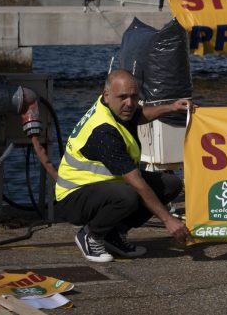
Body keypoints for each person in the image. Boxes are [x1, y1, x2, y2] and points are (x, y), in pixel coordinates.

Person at [55, 70, 192, 262]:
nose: (129, 103)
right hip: (74, 195)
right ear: (107, 95)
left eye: (134, 97)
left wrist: (171, 107)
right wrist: (168, 220)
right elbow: (136, 181)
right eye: (123, 97)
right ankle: (91, 235)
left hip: (105, 184)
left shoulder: (114, 107)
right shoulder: (104, 132)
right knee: (129, 195)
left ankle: (113, 234)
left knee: (170, 184)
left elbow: (140, 114)